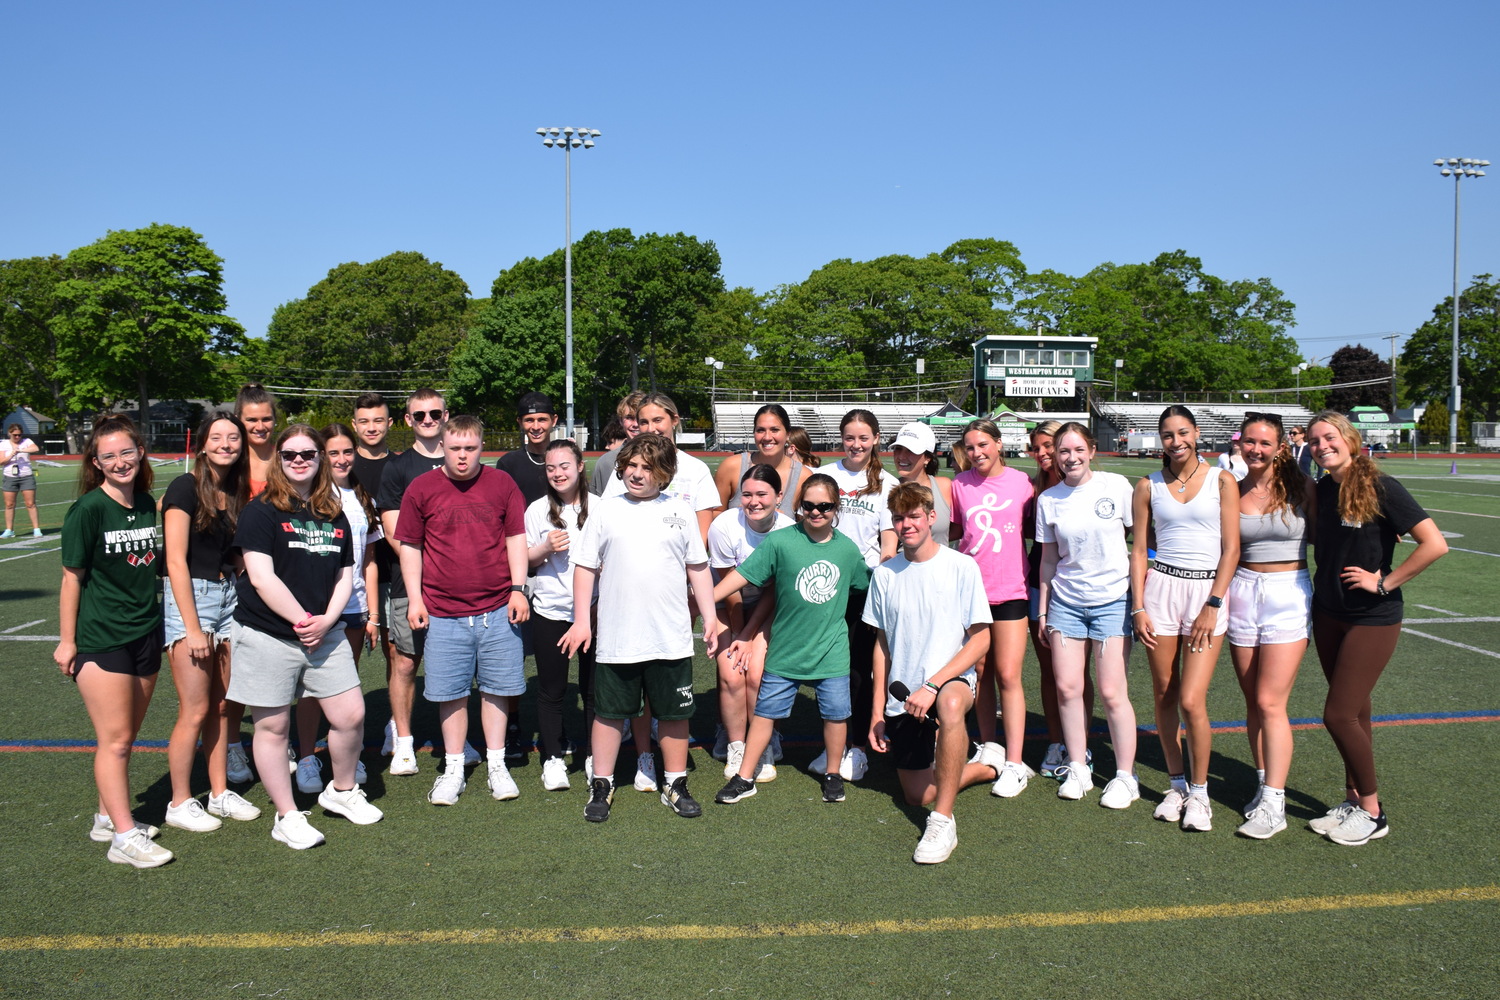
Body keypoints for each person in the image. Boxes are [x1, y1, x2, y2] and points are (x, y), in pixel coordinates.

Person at [227, 425, 383, 849]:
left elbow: (345, 573)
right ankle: (287, 814)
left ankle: (342, 790)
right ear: (279, 458)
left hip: (324, 631)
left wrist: (328, 618)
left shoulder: (334, 512)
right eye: (291, 454)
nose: (299, 460)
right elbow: (260, 576)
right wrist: (302, 620)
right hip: (268, 633)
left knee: (350, 714)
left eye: (308, 454)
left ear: (321, 459)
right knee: (274, 727)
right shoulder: (261, 511)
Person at [561, 433, 720, 823]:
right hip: (618, 637)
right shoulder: (605, 511)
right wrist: (583, 619)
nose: (636, 473)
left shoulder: (681, 512)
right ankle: (602, 782)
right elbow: (585, 568)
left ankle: (675, 782)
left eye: (647, 467)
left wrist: (712, 617)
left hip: (671, 638)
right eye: (631, 465)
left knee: (673, 713)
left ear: (664, 473)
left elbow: (697, 568)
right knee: (609, 713)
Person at [1305, 410, 1447, 846]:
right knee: (1357, 712)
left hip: (1372, 618)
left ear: (1349, 439)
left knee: (1338, 714)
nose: (1322, 446)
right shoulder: (1324, 489)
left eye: (1329, 438)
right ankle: (1352, 800)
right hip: (1328, 612)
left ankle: (1372, 810)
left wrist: (1384, 581)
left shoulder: (1381, 486)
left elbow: (1435, 544)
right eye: (1313, 441)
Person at [53, 416, 172, 867]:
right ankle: (124, 837)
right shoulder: (87, 510)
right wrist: (68, 642)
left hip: (146, 632)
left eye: (126, 452)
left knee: (130, 734)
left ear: (140, 452)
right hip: (102, 638)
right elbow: (71, 578)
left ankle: (108, 816)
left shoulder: (146, 504)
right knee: (115, 740)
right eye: (109, 456)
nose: (119, 462)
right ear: (96, 463)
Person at [712, 473, 870, 807]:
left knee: (836, 714)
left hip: (831, 652)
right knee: (766, 713)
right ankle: (744, 776)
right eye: (809, 506)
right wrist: (705, 600)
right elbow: (742, 575)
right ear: (798, 507)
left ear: (835, 508)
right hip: (785, 649)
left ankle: (832, 774)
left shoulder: (846, 548)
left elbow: (863, 585)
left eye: (824, 507)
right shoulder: (781, 541)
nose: (816, 512)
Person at [397, 415, 530, 807]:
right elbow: (410, 546)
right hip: (443, 612)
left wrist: (518, 589)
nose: (462, 456)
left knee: (497, 691)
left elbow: (516, 538)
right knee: (449, 694)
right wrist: (416, 598)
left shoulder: (501, 483)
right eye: (455, 448)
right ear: (442, 446)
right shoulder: (421, 488)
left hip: (496, 610)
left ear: (481, 447)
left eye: (470, 448)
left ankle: (495, 763)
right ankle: (453, 767)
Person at [865, 483, 997, 864]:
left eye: (914, 516)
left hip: (947, 684)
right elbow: (882, 647)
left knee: (952, 703)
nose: (907, 524)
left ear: (931, 517)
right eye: (899, 518)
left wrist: (933, 684)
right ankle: (982, 767)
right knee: (916, 794)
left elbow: (980, 641)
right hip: (904, 700)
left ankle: (942, 822)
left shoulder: (961, 566)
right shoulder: (885, 575)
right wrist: (876, 713)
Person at [597, 392, 722, 790]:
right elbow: (595, 555)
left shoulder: (694, 475)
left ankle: (674, 777)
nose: (652, 428)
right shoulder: (613, 498)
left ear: (674, 420)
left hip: (673, 596)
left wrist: (698, 602)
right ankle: (641, 757)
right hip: (627, 608)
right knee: (628, 689)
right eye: (644, 421)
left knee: (668, 693)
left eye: (658, 420)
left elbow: (697, 552)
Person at [1129, 406, 1239, 832]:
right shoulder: (1147, 486)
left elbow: (1231, 549)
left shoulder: (1221, 480)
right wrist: (1138, 606)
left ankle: (1200, 792)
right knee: (1164, 693)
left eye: (1182, 433)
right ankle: (1176, 785)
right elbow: (1139, 551)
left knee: (1192, 699)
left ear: (1196, 433)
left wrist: (1213, 603)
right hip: (1160, 593)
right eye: (1167, 435)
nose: (1176, 442)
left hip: (1204, 597)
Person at [161, 413, 262, 835]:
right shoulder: (184, 487)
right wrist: (192, 626)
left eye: (233, 437)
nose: (226, 443)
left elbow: (235, 553)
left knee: (223, 706)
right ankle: (180, 800)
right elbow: (174, 561)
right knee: (196, 708)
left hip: (227, 599)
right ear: (202, 444)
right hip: (193, 602)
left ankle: (219, 793)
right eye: (217, 437)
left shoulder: (234, 490)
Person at [1035, 423, 1139, 808]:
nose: (1071, 457)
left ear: (1092, 450)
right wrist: (1044, 609)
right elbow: (1048, 560)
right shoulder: (1049, 500)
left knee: (1112, 691)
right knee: (1068, 688)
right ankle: (1078, 766)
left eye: (1078, 449)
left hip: (1113, 601)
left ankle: (1126, 776)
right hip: (1066, 604)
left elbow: (1140, 542)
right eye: (1063, 451)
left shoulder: (1117, 487)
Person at [377, 388, 473, 776]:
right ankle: (403, 742)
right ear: (408, 420)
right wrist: (429, 573)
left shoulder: (465, 463)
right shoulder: (398, 468)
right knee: (405, 663)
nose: (429, 420)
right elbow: (393, 532)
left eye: (435, 414)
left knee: (458, 665)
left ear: (446, 415)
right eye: (420, 415)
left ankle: (458, 739)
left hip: (461, 588)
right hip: (411, 587)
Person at [1228, 411, 1315, 840]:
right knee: (1251, 700)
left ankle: (1275, 804)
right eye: (1250, 441)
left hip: (1288, 593)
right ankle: (1264, 785)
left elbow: (1337, 528)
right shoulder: (1231, 488)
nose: (1256, 449)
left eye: (1265, 443)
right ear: (1239, 443)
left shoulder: (1302, 487)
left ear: (1280, 447)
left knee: (1270, 701)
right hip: (1243, 592)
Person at [291, 423, 382, 794]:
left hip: (356, 607)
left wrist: (373, 615)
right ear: (320, 456)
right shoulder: (310, 497)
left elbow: (370, 562)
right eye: (334, 452)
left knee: (345, 688)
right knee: (312, 690)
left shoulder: (362, 498)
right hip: (319, 609)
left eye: (348, 451)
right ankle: (308, 755)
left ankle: (343, 754)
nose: (342, 459)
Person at [948, 418, 1034, 795]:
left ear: (998, 444)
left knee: (1009, 674)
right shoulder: (959, 486)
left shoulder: (1021, 483)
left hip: (1012, 591)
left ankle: (1015, 762)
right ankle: (989, 748)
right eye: (970, 447)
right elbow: (953, 534)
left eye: (983, 444)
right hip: (971, 594)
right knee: (980, 674)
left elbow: (1033, 531)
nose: (977, 452)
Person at [816, 409, 896, 780]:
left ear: (876, 438)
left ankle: (858, 749)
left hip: (862, 589)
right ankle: (835, 743)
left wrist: (880, 587)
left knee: (858, 669)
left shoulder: (887, 484)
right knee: (829, 667)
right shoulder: (827, 476)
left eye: (864, 438)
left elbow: (888, 545)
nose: (856, 444)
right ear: (841, 438)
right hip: (825, 585)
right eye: (850, 437)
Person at [707, 465, 795, 781]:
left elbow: (772, 591)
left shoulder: (789, 529)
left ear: (779, 496)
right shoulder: (723, 526)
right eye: (746, 494)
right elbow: (729, 588)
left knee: (757, 674)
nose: (753, 501)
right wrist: (739, 635)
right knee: (732, 673)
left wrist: (747, 635)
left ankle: (765, 741)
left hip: (768, 607)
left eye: (762, 494)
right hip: (728, 604)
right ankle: (735, 744)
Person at [525, 439, 597, 791]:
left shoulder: (601, 508)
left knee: (593, 689)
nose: (557, 473)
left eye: (564, 466)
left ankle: (592, 755)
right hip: (550, 611)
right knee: (552, 689)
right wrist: (543, 548)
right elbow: (523, 560)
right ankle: (553, 758)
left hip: (595, 612)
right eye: (550, 467)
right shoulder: (537, 510)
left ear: (580, 466)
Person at [1023, 421, 1092, 780]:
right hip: (1042, 584)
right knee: (1050, 670)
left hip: (1085, 588)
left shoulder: (1091, 483)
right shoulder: (1033, 488)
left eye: (1050, 445)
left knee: (1080, 673)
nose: (1045, 453)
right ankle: (1055, 741)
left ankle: (1081, 743)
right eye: (1039, 448)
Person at [225, 383, 278, 784]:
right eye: (251, 420)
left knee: (277, 669)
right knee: (231, 675)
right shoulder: (229, 462)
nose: (259, 426)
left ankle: (278, 741)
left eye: (265, 419)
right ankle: (229, 747)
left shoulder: (284, 457)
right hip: (234, 579)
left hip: (278, 579)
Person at [350, 392, 399, 749]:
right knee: (343, 657)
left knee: (395, 651)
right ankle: (347, 729)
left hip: (396, 570)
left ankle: (396, 724)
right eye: (364, 421)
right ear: (354, 425)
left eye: (378, 420)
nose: (371, 427)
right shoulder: (341, 467)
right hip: (350, 577)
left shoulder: (399, 465)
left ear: (390, 424)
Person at [712, 403, 805, 517]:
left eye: (774, 430)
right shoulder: (732, 467)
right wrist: (737, 517)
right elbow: (715, 513)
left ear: (788, 434)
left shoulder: (802, 476)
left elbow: (805, 527)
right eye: (760, 430)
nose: (767, 437)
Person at [879, 421, 952, 559]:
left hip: (943, 574)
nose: (901, 456)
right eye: (898, 448)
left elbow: (956, 530)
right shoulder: (887, 490)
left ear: (927, 458)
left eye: (911, 450)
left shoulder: (945, 486)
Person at [497, 391, 558, 506]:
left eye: (542, 420)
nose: (536, 427)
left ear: (553, 421)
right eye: (529, 420)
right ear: (520, 422)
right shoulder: (508, 463)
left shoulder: (565, 460)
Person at [588, 391, 646, 498]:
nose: (635, 424)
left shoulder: (664, 459)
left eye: (640, 418)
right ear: (620, 421)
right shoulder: (606, 463)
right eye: (629, 418)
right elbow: (595, 505)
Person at [1, 422, 42, 537]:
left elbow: (35, 448)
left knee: (30, 503)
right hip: (10, 476)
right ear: (10, 433)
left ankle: (36, 529)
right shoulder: (4, 444)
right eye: (15, 435)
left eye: (19, 435)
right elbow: (1, 461)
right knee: (9, 504)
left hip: (26, 476)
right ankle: (9, 530)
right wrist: (11, 455)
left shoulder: (27, 442)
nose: (18, 437)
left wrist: (21, 450)